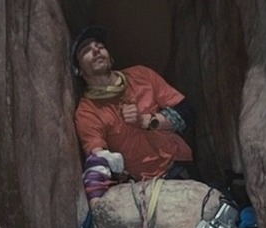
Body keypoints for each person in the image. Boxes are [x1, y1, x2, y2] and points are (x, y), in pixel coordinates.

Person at [70, 26, 197, 205]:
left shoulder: (141, 75)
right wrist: (97, 205)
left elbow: (187, 112)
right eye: (86, 50)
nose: (95, 50)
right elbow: (98, 160)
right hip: (145, 187)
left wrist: (147, 120)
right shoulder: (87, 111)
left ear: (110, 56)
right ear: (78, 70)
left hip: (179, 165)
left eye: (99, 46)